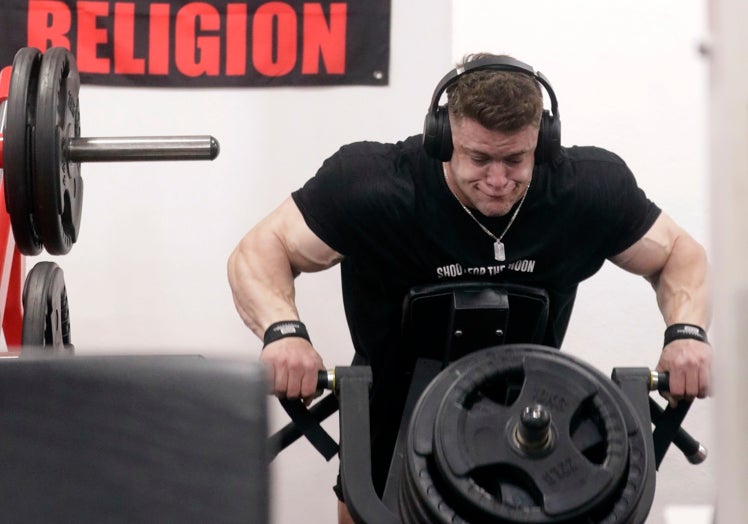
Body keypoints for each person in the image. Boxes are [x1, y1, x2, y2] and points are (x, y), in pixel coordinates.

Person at [227, 53, 712, 523]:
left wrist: (686, 333)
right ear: (443, 138)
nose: (498, 180)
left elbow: (677, 254)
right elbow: (262, 248)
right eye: (478, 158)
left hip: (530, 418)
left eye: (515, 159)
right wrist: (283, 332)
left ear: (542, 143)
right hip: (392, 411)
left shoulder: (587, 191)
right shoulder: (371, 187)